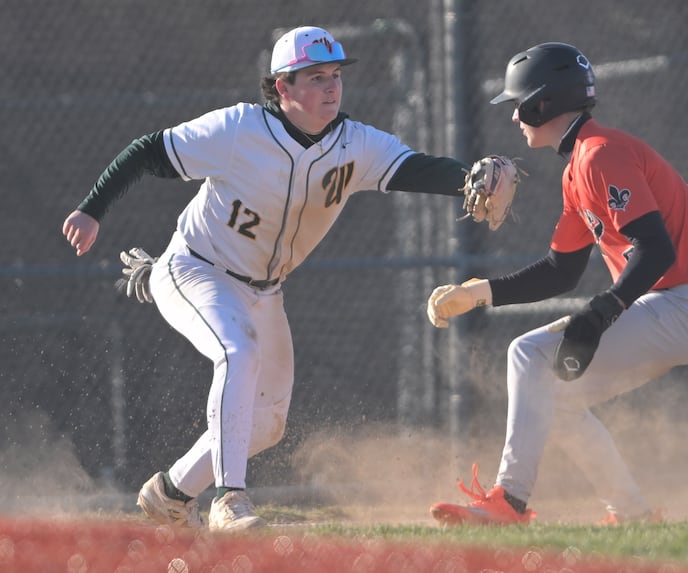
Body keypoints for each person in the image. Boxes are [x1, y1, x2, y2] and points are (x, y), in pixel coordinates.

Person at [62, 25, 475, 531]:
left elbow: (415, 167)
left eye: (336, 75)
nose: (331, 87)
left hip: (265, 291)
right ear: (283, 88)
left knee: (269, 422)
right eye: (316, 77)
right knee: (237, 352)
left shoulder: (354, 144)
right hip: (196, 269)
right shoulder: (240, 130)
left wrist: (472, 179)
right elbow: (149, 150)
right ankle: (229, 501)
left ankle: (170, 493)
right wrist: (91, 209)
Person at [426, 42, 688, 526]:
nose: (514, 118)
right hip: (677, 306)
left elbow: (657, 248)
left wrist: (600, 312)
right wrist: (481, 292)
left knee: (527, 354)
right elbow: (560, 270)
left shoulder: (599, 154)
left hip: (685, 305)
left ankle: (510, 500)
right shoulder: (580, 168)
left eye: (518, 105)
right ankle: (632, 513)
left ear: (543, 103)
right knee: (556, 399)